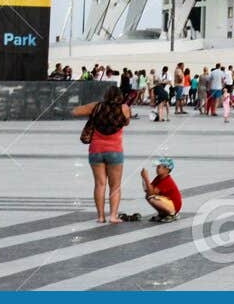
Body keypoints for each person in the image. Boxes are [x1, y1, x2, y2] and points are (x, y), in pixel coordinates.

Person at [73, 88, 131, 224]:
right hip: (115, 151)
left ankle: (100, 217)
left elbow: (75, 111)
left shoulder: (96, 106)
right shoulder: (124, 108)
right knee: (115, 186)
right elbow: (127, 122)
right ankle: (113, 216)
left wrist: (92, 114)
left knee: (99, 184)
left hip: (96, 150)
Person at [141, 158, 182, 222]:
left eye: (159, 167)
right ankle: (163, 214)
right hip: (167, 202)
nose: (157, 169)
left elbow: (151, 192)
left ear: (167, 169)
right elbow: (148, 190)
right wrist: (143, 179)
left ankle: (172, 214)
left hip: (174, 206)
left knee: (152, 198)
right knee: (148, 196)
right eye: (157, 167)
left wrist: (146, 178)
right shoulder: (158, 178)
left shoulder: (167, 180)